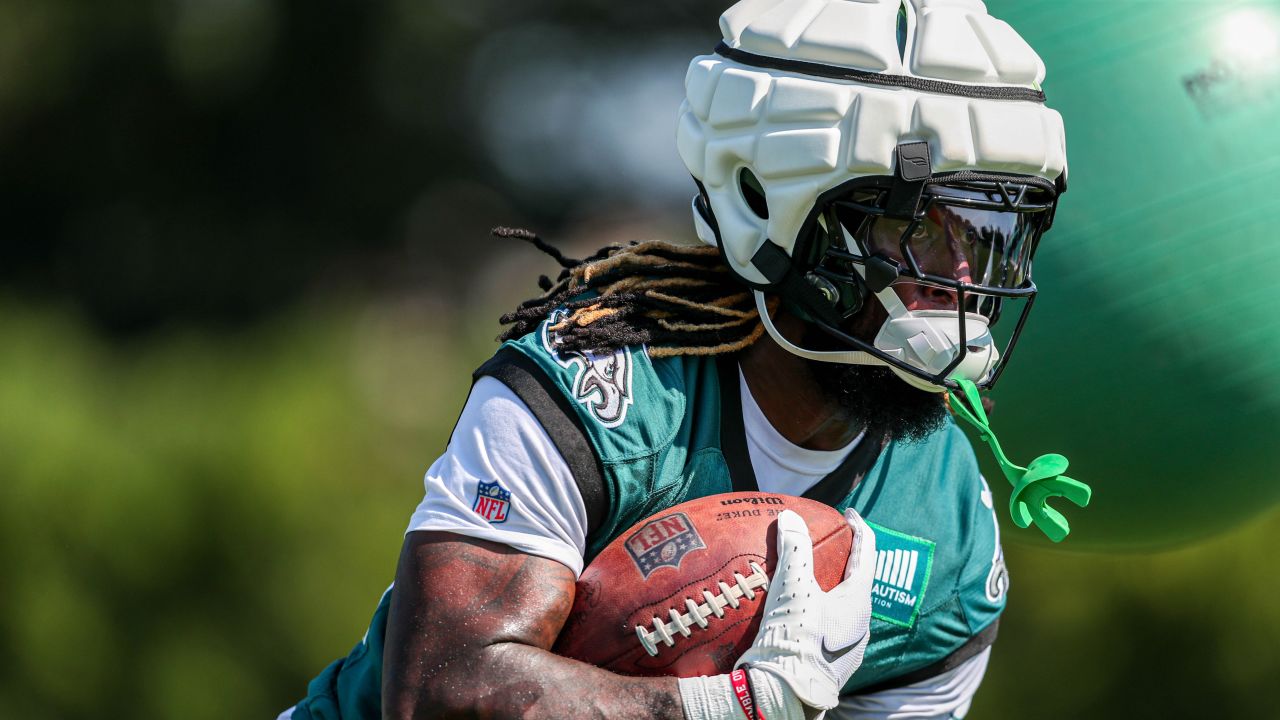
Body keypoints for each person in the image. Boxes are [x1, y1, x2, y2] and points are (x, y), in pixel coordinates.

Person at [281, 0, 1079, 717]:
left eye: (987, 232)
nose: (966, 277)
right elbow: (440, 693)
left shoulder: (947, 524)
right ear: (769, 202)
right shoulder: (598, 402)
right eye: (921, 228)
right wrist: (728, 707)